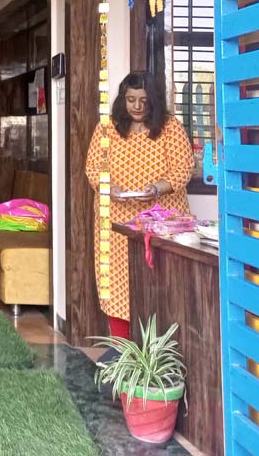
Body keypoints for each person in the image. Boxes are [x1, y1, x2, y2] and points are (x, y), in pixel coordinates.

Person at [85, 71, 193, 338]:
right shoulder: (107, 128)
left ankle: (157, 351)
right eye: (131, 99)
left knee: (160, 284)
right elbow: (93, 169)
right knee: (116, 284)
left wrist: (156, 189)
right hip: (115, 222)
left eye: (143, 101)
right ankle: (123, 350)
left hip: (161, 223)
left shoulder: (170, 128)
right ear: (122, 99)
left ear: (153, 101)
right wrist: (111, 188)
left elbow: (183, 169)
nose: (136, 106)